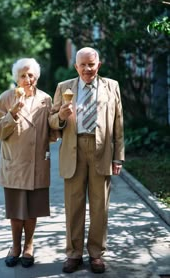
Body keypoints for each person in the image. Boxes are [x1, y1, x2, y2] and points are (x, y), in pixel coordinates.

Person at [49, 47, 125, 274]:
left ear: (98, 65)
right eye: (82, 65)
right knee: (74, 206)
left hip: (101, 149)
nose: (87, 69)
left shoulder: (112, 86)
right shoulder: (64, 88)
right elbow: (51, 121)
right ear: (76, 66)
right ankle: (73, 254)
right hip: (74, 149)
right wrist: (61, 116)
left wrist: (118, 157)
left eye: (91, 64)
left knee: (100, 206)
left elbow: (118, 124)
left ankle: (96, 255)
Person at [0, 58, 57, 268]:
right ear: (16, 78)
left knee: (33, 210)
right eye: (22, 75)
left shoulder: (46, 99)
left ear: (36, 76)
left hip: (37, 163)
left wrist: (61, 120)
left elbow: (53, 133)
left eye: (30, 75)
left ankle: (29, 245)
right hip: (15, 164)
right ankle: (15, 246)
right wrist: (13, 112)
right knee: (16, 211)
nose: (27, 79)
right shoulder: (6, 98)